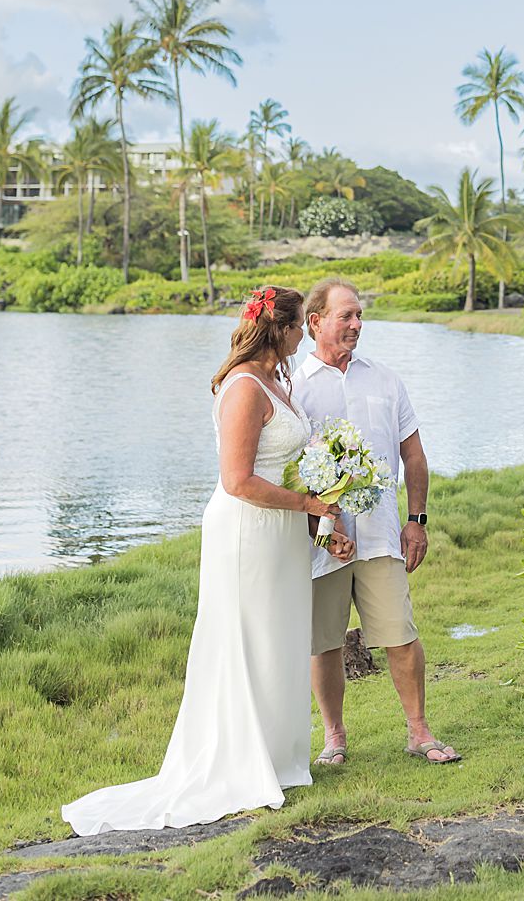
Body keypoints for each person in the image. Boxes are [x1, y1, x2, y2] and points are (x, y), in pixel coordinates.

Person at [62, 286, 354, 835]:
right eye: (297, 329)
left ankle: (274, 754)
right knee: (243, 637)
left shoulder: (276, 379)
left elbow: (287, 470)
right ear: (284, 329)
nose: (301, 338)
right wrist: (313, 504)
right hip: (247, 530)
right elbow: (239, 481)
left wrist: (320, 525)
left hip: (283, 530)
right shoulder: (245, 385)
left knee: (276, 637)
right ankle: (236, 761)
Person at [297, 278, 460, 767]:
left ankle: (419, 732)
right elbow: (288, 473)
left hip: (382, 534)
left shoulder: (386, 379)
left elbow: (414, 455)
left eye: (360, 315)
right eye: (346, 316)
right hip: (323, 541)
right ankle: (334, 737)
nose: (356, 324)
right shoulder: (293, 389)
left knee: (401, 635)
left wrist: (416, 520)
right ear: (315, 322)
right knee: (323, 642)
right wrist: (322, 527)